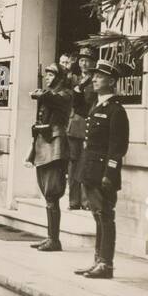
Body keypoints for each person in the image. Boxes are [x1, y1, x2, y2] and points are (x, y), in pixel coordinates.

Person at [74, 59, 130, 279]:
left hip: (103, 174)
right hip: (89, 170)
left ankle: (106, 264)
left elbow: (118, 148)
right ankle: (98, 260)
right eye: (94, 76)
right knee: (98, 216)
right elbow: (77, 105)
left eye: (99, 76)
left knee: (105, 216)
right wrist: (81, 85)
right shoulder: (96, 105)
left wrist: (110, 174)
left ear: (112, 81)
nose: (94, 79)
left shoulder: (116, 110)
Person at [26, 63, 72, 252]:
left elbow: (57, 101)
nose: (47, 77)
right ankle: (50, 237)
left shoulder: (65, 93)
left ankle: (55, 239)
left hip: (55, 145)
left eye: (51, 74)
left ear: (60, 77)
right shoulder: (50, 92)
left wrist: (42, 94)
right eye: (46, 74)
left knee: (52, 192)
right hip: (43, 143)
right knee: (47, 194)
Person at [66, 46, 96, 209]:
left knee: (85, 163)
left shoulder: (94, 80)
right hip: (73, 126)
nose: (84, 63)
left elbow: (88, 101)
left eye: (88, 61)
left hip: (86, 124)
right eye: (82, 60)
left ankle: (86, 201)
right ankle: (73, 200)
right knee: (73, 163)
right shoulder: (73, 78)